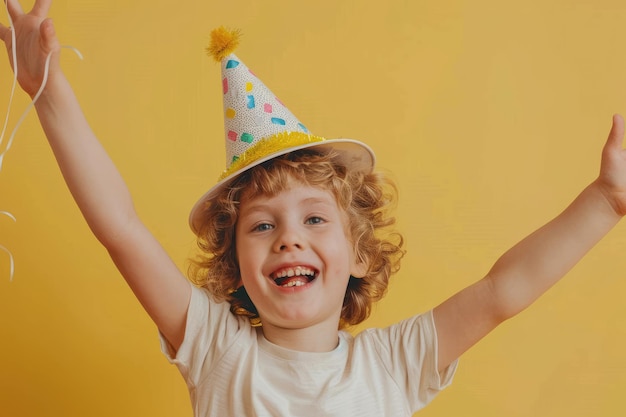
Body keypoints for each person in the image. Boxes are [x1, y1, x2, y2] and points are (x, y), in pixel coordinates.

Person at [2, 0, 625, 416]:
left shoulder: (395, 363)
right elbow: (123, 229)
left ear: (357, 253)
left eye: (314, 218)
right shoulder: (216, 348)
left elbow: (502, 289)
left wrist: (604, 200)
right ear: (234, 263)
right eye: (262, 225)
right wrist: (49, 91)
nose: (288, 239)